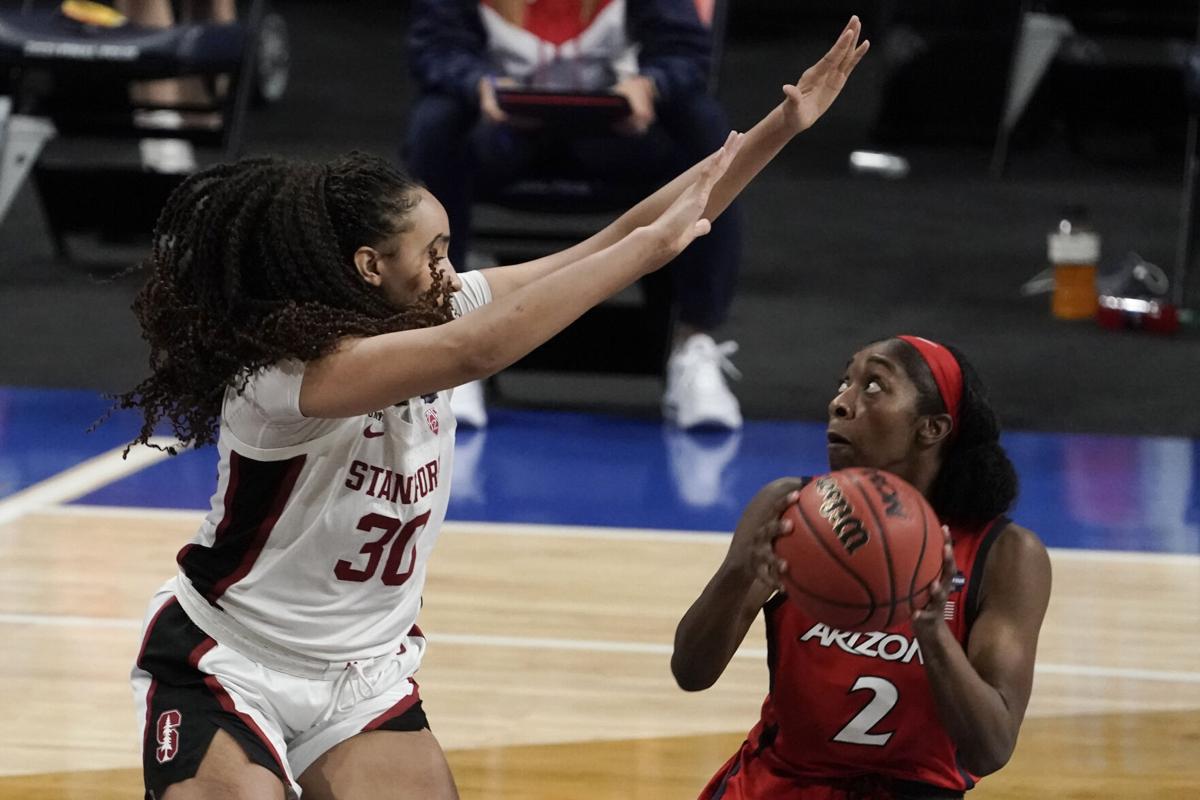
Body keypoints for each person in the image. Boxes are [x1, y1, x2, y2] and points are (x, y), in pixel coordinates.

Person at [111, 18, 869, 799]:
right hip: (231, 663)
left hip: (366, 675)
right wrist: (648, 258)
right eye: (433, 255)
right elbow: (478, 352)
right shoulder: (288, 374)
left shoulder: (438, 307)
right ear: (370, 267)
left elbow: (608, 239)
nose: (451, 272)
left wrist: (778, 130)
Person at [672, 335, 1053, 800]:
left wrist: (933, 635)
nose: (840, 402)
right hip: (774, 786)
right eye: (843, 383)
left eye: (873, 386)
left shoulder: (1006, 554)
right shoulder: (789, 509)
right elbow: (691, 673)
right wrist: (736, 577)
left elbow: (991, 749)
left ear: (931, 428)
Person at [405, 0, 746, 430]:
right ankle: (447, 335)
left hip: (613, 136)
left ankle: (694, 344)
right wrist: (479, 84)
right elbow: (434, 49)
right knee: (434, 123)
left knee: (703, 123)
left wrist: (650, 85)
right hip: (505, 134)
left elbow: (687, 51)